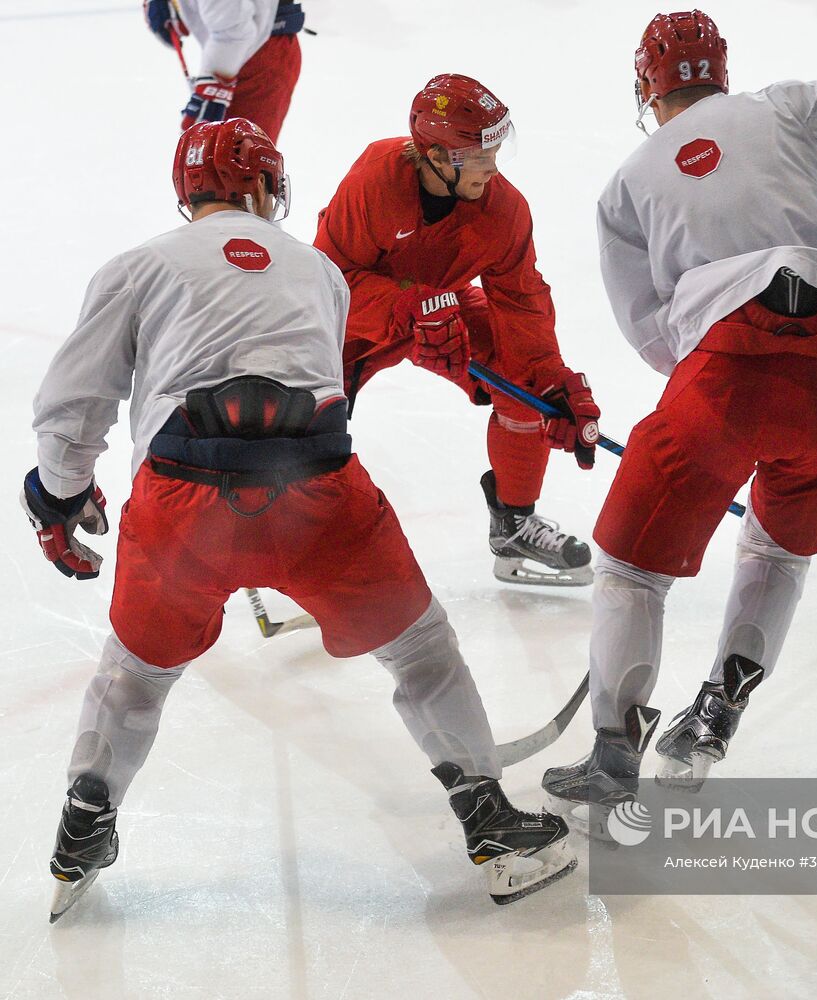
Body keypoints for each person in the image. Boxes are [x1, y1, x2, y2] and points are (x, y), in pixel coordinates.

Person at [23, 119, 573, 920]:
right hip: (317, 495)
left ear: (188, 193)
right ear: (263, 186)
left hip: (182, 501)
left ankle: (85, 821)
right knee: (422, 651)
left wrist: (61, 497)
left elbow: (72, 409)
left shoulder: (137, 265)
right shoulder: (318, 271)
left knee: (135, 674)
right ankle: (488, 822)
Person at [541, 10, 817, 824]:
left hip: (722, 379)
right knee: (778, 549)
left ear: (645, 87)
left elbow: (652, 332)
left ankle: (614, 751)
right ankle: (714, 716)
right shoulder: (785, 107)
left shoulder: (626, 184)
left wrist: (726, 382)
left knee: (632, 568)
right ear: (719, 69)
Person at [314, 74, 601, 587]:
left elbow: (523, 306)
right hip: (358, 317)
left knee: (523, 378)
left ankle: (514, 523)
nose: (492, 169)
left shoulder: (504, 211)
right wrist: (405, 307)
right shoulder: (375, 181)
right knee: (304, 408)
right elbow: (327, 284)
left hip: (442, 308)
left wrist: (549, 380)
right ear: (435, 155)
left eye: (495, 151)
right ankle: (284, 530)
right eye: (477, 155)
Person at [143, 0, 307, 142]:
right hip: (252, 51)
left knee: (229, 168)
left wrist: (212, 89)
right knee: (222, 167)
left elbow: (234, 31)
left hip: (256, 57)